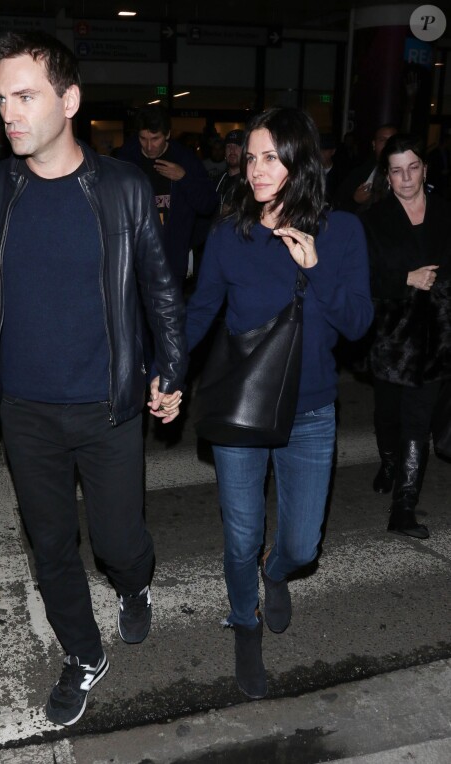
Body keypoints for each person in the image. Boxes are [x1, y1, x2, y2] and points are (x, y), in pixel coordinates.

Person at [0, 31, 187, 728]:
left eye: (25, 96)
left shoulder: (121, 187)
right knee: (49, 544)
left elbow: (160, 291)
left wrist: (171, 368)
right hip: (24, 410)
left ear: (70, 99)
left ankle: (134, 582)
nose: (10, 113)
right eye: (2, 99)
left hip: (107, 404)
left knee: (118, 542)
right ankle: (84, 654)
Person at [181, 108, 373, 699]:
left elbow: (358, 322)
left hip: (311, 411)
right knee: (239, 536)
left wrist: (314, 270)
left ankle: (276, 572)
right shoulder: (229, 232)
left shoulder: (341, 232)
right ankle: (245, 623)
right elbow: (201, 310)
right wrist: (165, 371)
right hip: (242, 405)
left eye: (270, 157)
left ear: (300, 162)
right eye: (251, 155)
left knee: (301, 544)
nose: (254, 168)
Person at [360, 134, 451, 539]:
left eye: (413, 167)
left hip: (437, 335)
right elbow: (360, 278)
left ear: (424, 169)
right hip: (391, 338)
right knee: (388, 414)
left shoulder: (447, 212)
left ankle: (404, 508)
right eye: (397, 171)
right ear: (388, 176)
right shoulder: (374, 220)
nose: (407, 177)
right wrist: (404, 279)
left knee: (419, 421)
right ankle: (390, 463)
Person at [117, 104, 217, 286]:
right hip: (133, 260)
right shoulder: (126, 162)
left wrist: (184, 178)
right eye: (143, 138)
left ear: (168, 134)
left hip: (171, 260)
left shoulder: (186, 160)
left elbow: (208, 205)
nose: (149, 146)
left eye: (155, 139)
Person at [334, 124, 398, 213]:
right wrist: (355, 201)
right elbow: (338, 205)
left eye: (392, 140)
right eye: (382, 140)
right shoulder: (359, 173)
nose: (387, 145)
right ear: (374, 144)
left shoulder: (408, 175)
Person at [215, 128, 244, 213]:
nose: (232, 150)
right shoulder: (218, 181)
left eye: (237, 146)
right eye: (228, 146)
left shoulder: (250, 183)